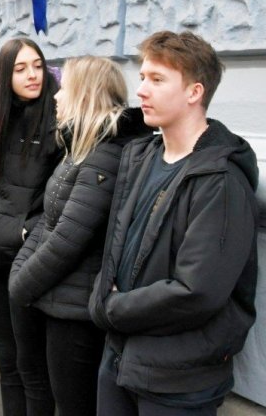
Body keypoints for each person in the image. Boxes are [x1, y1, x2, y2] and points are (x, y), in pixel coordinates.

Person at [90, 31, 259, 416]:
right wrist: (103, 297)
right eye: (142, 77)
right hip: (120, 359)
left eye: (157, 79)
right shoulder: (141, 156)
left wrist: (110, 307)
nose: (141, 90)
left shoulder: (220, 181)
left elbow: (196, 291)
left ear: (194, 92)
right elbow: (116, 245)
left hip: (178, 379)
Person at [8, 57, 153, 415]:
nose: (56, 97)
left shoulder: (105, 155)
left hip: (76, 313)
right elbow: (47, 221)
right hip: (56, 299)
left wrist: (20, 285)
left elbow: (67, 240)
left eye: (64, 89)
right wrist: (19, 274)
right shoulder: (80, 149)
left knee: (74, 405)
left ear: (85, 95)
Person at [0, 37, 62, 416]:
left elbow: (60, 194)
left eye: (38, 66)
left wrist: (27, 232)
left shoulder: (58, 121)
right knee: (8, 361)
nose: (32, 75)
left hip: (27, 258)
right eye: (21, 68)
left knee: (32, 367)